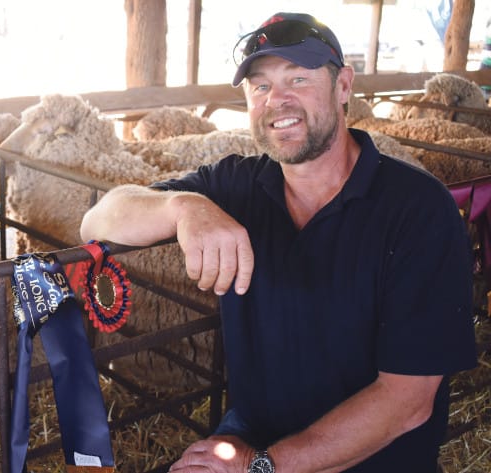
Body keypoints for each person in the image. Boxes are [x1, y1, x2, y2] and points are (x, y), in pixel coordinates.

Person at [80, 12, 478, 473]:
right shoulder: (237, 185)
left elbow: (407, 400)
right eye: (261, 86)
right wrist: (184, 208)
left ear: (343, 86)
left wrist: (262, 465)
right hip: (252, 438)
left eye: (298, 78)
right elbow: (98, 220)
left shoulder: (417, 208)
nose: (276, 100)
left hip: (371, 461)